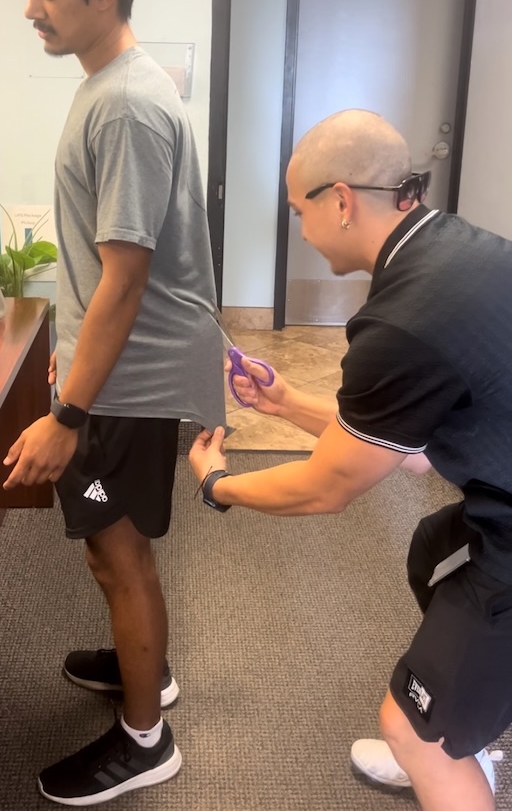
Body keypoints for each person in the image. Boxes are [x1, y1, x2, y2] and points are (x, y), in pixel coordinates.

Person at [190, 108, 512, 811]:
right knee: (436, 564)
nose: (299, 230)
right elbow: (408, 448)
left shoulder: (403, 319)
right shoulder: (456, 248)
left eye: (297, 210)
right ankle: (454, 736)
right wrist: (287, 405)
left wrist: (219, 485)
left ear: (339, 200)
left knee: (408, 727)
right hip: (497, 493)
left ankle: (436, 749)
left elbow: (326, 486)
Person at [2, 0, 225, 806]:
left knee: (117, 546)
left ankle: (147, 738)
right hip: (112, 380)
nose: (29, 10)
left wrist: (66, 412)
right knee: (105, 535)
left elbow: (126, 280)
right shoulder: (111, 86)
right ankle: (147, 669)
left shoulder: (128, 106)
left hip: (126, 392)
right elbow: (105, 269)